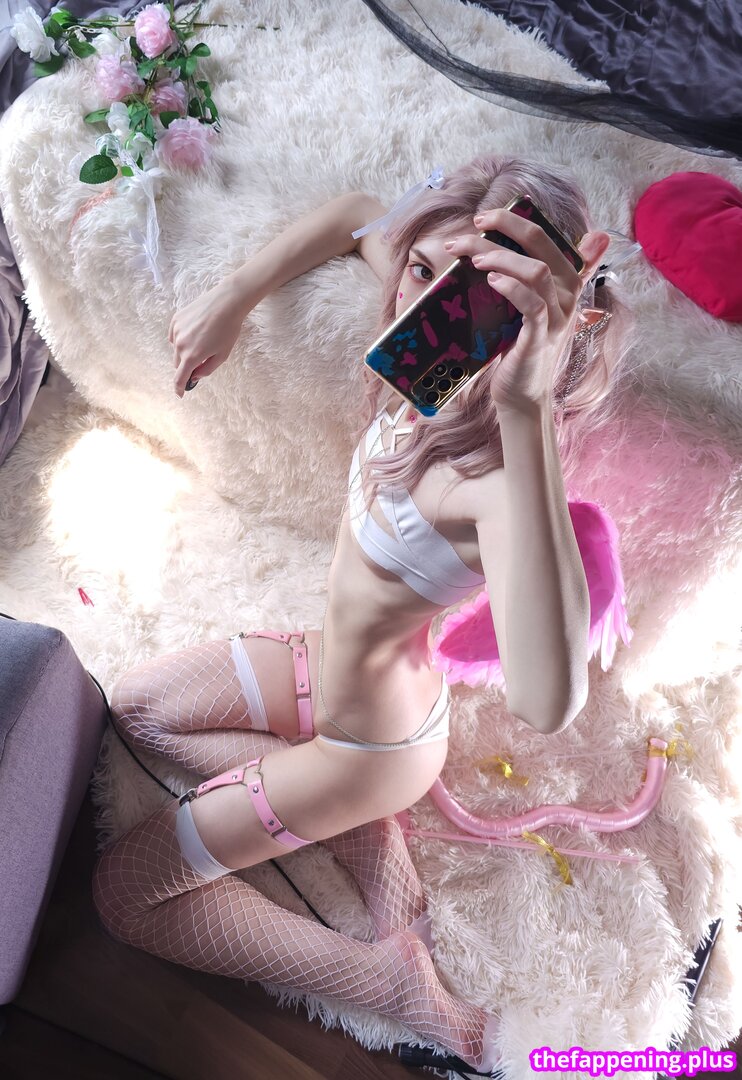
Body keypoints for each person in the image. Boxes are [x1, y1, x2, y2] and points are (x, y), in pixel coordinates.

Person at [92, 153, 630, 1073]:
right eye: (421, 271)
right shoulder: (427, 338)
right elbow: (354, 212)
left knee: (123, 894)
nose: (423, 308)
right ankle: (357, 829)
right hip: (325, 665)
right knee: (135, 708)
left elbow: (549, 698)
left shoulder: (490, 480)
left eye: (470, 300)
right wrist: (232, 298)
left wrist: (526, 404)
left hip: (373, 745)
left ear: (526, 327)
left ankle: (388, 980)